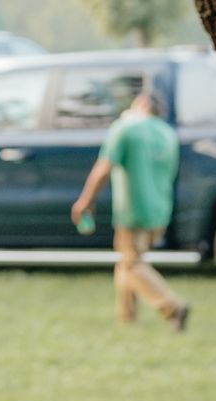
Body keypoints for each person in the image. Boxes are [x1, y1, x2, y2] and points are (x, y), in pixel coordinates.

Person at [72, 83, 189, 332]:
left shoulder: (126, 129)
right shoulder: (168, 134)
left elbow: (104, 168)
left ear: (141, 106)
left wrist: (86, 200)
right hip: (160, 209)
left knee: (131, 264)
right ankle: (127, 317)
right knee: (128, 260)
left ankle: (172, 306)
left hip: (133, 210)